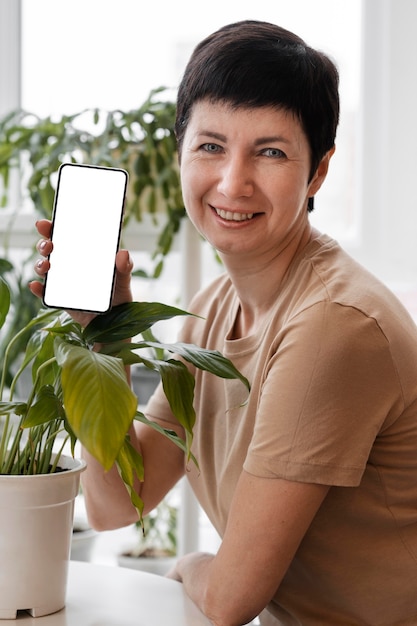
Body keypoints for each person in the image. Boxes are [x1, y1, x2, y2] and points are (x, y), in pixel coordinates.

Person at [31, 20, 417, 626]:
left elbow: (232, 598)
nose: (233, 182)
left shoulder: (333, 326)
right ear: (180, 150)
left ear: (317, 172)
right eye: (211, 146)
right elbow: (113, 505)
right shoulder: (212, 310)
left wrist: (188, 565)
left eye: (270, 152)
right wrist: (102, 335)